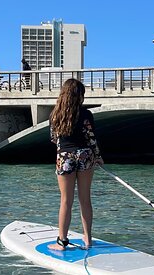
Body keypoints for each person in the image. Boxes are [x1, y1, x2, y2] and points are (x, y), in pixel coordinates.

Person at [49, 78, 103, 251]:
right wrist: (98, 156)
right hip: (85, 155)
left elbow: (53, 139)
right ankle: (87, 239)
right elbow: (90, 138)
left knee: (66, 201)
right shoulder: (86, 114)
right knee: (85, 199)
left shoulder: (55, 114)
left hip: (64, 157)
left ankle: (62, 241)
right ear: (79, 95)